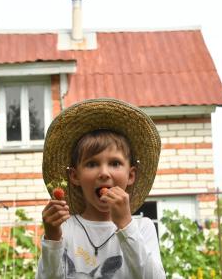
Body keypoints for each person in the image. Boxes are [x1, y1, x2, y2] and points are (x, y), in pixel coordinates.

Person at [37, 98, 166, 278]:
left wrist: (125, 225)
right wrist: (52, 238)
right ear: (74, 176)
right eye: (92, 164)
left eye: (114, 163)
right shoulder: (64, 229)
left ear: (131, 175)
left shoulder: (142, 228)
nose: (104, 173)